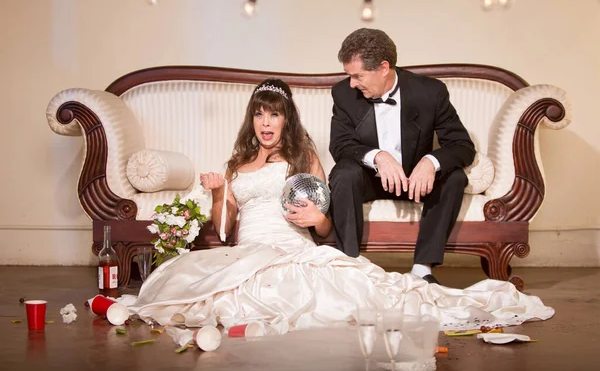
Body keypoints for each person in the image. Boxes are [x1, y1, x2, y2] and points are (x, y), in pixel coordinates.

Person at [124, 78, 553, 334]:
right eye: (260, 115)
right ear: (251, 120)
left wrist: (319, 219)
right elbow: (223, 229)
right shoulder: (237, 163)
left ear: (286, 119)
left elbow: (324, 230)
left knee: (346, 295)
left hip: (291, 247)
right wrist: (219, 192)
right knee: (206, 294)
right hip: (248, 250)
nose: (267, 123)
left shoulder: (302, 156)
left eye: (275, 115)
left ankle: (426, 275)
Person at [329, 28, 475, 285]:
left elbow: (462, 146)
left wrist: (430, 162)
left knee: (455, 178)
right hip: (371, 180)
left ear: (384, 67)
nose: (352, 83)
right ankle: (349, 267)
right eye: (349, 76)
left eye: (358, 76)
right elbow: (340, 146)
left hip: (416, 182)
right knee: (343, 173)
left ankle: (422, 269)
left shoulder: (430, 92)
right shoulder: (343, 93)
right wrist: (378, 157)